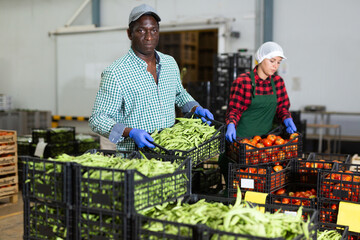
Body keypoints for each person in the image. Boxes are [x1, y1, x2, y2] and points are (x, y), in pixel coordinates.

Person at [89, 4, 213, 151]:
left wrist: (195, 107)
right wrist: (130, 132)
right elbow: (97, 119)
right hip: (135, 158)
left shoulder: (169, 63)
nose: (148, 37)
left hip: (169, 153)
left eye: (153, 30)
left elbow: (179, 93)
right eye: (141, 30)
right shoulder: (116, 73)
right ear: (130, 33)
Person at [219, 41, 297, 188]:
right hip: (242, 144)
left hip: (265, 145)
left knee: (262, 185)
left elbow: (282, 108)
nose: (275, 66)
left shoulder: (278, 82)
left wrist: (287, 119)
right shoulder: (243, 82)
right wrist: (230, 125)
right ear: (261, 59)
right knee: (238, 186)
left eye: (278, 62)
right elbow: (234, 110)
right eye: (272, 61)